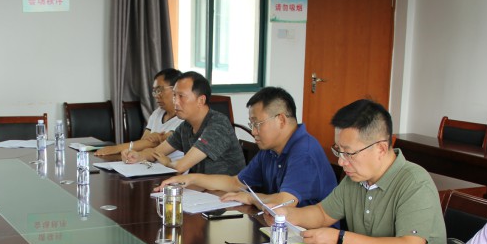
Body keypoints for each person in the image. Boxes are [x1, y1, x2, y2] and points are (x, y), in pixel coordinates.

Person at [278, 99, 446, 244]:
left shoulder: (415, 183)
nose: (341, 162)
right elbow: (323, 213)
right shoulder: (355, 178)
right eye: (338, 151)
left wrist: (340, 239)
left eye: (349, 153)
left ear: (380, 149)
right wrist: (285, 214)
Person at [156, 86, 336, 207]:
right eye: (251, 124)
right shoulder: (270, 149)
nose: (254, 132)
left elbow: (285, 201)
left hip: (313, 239)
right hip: (280, 226)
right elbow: (235, 182)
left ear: (281, 119)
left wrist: (250, 198)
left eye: (257, 124)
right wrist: (190, 179)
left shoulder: (303, 151)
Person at [123, 71, 245, 175]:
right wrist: (137, 156)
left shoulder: (218, 125)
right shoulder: (186, 126)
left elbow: (181, 166)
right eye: (174, 96)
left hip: (228, 192)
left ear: (201, 100)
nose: (175, 102)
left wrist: (168, 163)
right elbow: (157, 152)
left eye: (181, 96)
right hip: (200, 189)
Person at [96, 68, 184, 158]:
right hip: (149, 161)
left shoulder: (183, 118)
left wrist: (117, 148)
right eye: (154, 91)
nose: (156, 96)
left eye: (159, 90)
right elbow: (145, 141)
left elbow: (157, 142)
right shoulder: (158, 112)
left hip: (170, 164)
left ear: (175, 89)